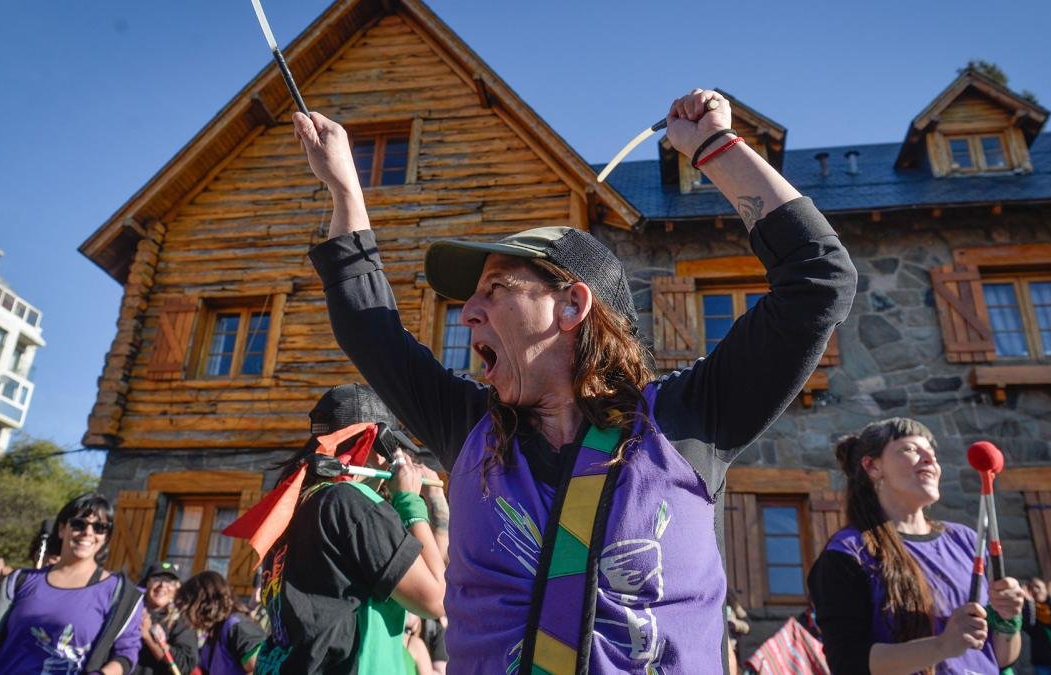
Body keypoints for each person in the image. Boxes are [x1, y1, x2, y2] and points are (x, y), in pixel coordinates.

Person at [295, 87, 856, 672]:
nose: (468, 314)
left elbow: (818, 278)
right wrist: (345, 190)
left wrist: (714, 146)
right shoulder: (469, 430)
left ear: (572, 306)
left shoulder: (686, 420)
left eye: (495, 290)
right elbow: (369, 329)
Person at [240, 385, 446, 674]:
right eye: (393, 449)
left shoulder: (296, 505)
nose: (393, 460)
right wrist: (412, 501)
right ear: (375, 441)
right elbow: (436, 599)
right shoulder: (350, 502)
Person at [808, 418, 1025, 674]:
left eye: (932, 453)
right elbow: (848, 664)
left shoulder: (967, 540)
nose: (930, 459)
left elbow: (1000, 658)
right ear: (872, 467)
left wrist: (1008, 620)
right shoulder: (847, 553)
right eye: (910, 449)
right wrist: (942, 646)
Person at [0, 493, 145, 674]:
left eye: (99, 527)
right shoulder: (19, 581)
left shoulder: (119, 594)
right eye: (79, 524)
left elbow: (126, 654)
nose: (88, 533)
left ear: (106, 537)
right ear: (62, 529)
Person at [175, 570, 264, 675]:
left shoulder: (237, 627)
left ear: (203, 603)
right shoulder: (213, 635)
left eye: (187, 607)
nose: (185, 615)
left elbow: (259, 669)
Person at [134, 561, 198, 675]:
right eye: (157, 579)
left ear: (176, 589)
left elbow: (184, 666)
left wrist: (149, 638)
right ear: (147, 583)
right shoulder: (130, 610)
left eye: (170, 582)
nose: (163, 585)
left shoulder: (181, 622)